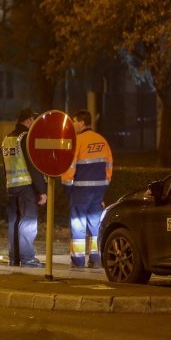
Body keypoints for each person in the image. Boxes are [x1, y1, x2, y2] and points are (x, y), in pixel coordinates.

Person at [62, 109, 113, 268]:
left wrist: (67, 188)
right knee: (95, 225)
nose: (73, 125)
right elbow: (109, 167)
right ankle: (95, 259)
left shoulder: (77, 141)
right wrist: (103, 188)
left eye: (74, 121)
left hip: (79, 191)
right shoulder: (102, 141)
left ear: (82, 123)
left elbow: (69, 167)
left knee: (78, 225)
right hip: (98, 191)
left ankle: (78, 261)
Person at [1, 108, 47, 267]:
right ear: (28, 120)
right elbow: (33, 166)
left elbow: (4, 166)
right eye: (33, 121)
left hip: (11, 186)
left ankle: (14, 259)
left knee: (14, 223)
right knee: (28, 222)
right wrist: (42, 190)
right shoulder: (26, 137)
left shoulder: (7, 138)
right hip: (26, 187)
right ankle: (27, 259)